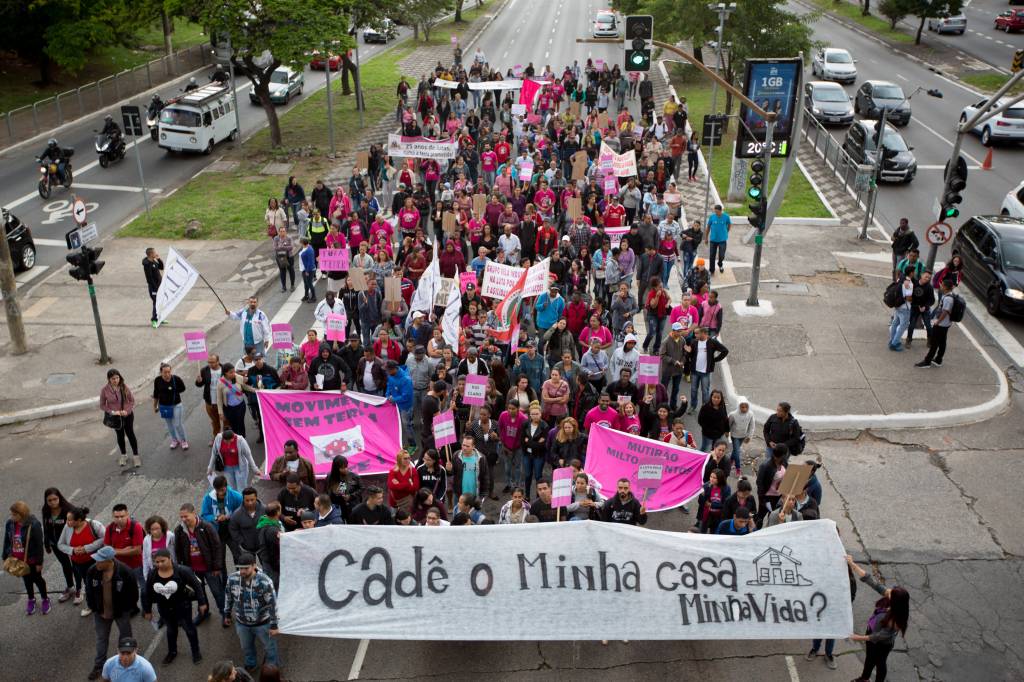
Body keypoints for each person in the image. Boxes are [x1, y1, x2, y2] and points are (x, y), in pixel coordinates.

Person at [846, 555, 910, 682]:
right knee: (869, 658)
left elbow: (878, 636)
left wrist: (858, 637)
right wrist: (852, 564)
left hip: (881, 645)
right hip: (872, 635)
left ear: (895, 602)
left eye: (891, 593)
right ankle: (864, 678)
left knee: (880, 663)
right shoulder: (891, 599)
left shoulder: (895, 622)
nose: (888, 591)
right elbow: (871, 581)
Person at [142, 549, 205, 665]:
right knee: (171, 630)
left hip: (182, 607)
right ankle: (172, 652)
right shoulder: (152, 574)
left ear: (170, 558)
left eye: (163, 561)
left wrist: (202, 602)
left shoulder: (183, 571)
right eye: (157, 562)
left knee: (189, 629)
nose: (160, 564)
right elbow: (147, 592)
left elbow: (197, 586)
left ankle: (196, 652)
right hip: (164, 608)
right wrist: (147, 610)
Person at [85, 546, 139, 681]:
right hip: (100, 613)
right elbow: (89, 591)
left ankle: (126, 662)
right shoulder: (92, 571)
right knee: (101, 639)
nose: (97, 563)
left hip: (121, 613)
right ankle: (99, 666)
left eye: (100, 561)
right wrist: (93, 607)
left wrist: (126, 610)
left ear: (109, 560)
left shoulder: (125, 572)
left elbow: (133, 594)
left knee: (125, 638)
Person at [224, 553, 280, 673]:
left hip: (263, 623)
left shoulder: (265, 582)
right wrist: (227, 613)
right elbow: (228, 597)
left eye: (246, 568)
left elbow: (273, 603)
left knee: (270, 648)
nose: (242, 571)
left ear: (254, 566)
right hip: (242, 623)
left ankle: (272, 668)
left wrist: (274, 625)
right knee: (246, 647)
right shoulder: (232, 579)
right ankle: (251, 663)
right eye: (240, 568)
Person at [173, 503, 226, 627]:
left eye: (186, 516)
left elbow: (217, 547)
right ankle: (204, 613)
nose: (183, 519)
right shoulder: (179, 530)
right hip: (193, 570)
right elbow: (178, 550)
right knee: (199, 593)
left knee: (217, 592)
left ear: (194, 513)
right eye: (181, 517)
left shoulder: (206, 527)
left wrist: (217, 567)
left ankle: (225, 613)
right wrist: (182, 568)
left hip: (209, 568)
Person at [57, 506, 106, 616]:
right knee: (88, 583)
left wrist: (86, 548)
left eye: (69, 520)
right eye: (67, 519)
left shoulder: (94, 525)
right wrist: (72, 550)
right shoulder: (68, 527)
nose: (67, 522)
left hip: (94, 561)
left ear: (79, 520)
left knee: (95, 584)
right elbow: (60, 544)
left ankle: (99, 605)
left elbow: (104, 538)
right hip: (77, 563)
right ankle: (92, 605)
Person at [3, 500, 48, 615]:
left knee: (38, 580)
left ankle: (45, 599)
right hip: (18, 560)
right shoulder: (10, 523)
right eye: (11, 514)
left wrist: (39, 562)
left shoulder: (34, 524)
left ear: (22, 514)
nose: (12, 517)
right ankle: (31, 599)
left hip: (31, 560)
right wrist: (4, 555)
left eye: (14, 514)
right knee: (27, 580)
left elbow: (39, 544)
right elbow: (7, 540)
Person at [41, 487, 76, 604]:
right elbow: (46, 527)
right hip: (55, 545)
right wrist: (46, 543)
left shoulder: (69, 510)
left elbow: (79, 525)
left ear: (59, 498)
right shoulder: (46, 510)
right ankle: (70, 587)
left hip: (70, 544)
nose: (52, 502)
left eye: (55, 499)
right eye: (49, 500)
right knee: (66, 565)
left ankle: (80, 589)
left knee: (76, 565)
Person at [101, 369, 141, 468]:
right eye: (113, 378)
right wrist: (113, 412)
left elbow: (132, 401)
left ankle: (136, 456)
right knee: (120, 436)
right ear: (108, 379)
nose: (116, 380)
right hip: (116, 418)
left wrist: (126, 411)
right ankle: (124, 455)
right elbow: (102, 405)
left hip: (127, 416)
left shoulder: (124, 387)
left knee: (130, 434)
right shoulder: (105, 390)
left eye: (117, 378)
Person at [685, 328, 728, 412]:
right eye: (695, 333)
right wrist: (688, 352)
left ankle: (705, 408)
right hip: (694, 371)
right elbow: (690, 356)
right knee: (693, 390)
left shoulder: (712, 342)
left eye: (697, 333)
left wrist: (715, 360)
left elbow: (725, 351)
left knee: (705, 391)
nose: (695, 335)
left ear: (704, 333)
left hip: (705, 372)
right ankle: (693, 406)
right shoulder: (694, 342)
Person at [917, 278, 955, 369]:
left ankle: (927, 361)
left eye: (942, 285)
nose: (940, 286)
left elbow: (945, 312)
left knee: (934, 343)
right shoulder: (949, 296)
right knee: (942, 342)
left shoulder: (948, 299)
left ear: (945, 287)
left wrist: (937, 322)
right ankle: (938, 360)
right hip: (946, 324)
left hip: (941, 324)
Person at [153, 362, 188, 450]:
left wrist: (173, 391)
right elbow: (156, 393)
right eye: (165, 372)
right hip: (164, 406)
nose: (167, 374)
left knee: (177, 424)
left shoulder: (176, 379)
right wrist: (155, 406)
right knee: (169, 425)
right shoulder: (157, 380)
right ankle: (174, 440)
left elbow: (183, 388)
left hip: (176, 405)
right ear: (161, 372)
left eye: (169, 372)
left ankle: (183, 440)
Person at [196, 355, 224, 446]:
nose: (210, 364)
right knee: (215, 421)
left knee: (226, 420)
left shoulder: (224, 369)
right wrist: (199, 381)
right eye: (209, 362)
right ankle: (216, 437)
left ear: (218, 361)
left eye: (212, 362)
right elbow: (199, 384)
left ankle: (227, 437)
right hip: (210, 402)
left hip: (223, 401)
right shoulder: (204, 370)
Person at [888, 266, 915, 351]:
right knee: (904, 325)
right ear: (911, 273)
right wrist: (914, 300)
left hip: (897, 305)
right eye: (914, 272)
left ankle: (892, 341)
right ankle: (895, 343)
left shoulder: (900, 279)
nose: (914, 273)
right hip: (905, 307)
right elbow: (908, 297)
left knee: (895, 324)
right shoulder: (909, 283)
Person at [728, 398, 755, 477]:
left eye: (746, 407)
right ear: (738, 406)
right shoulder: (733, 414)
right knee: (737, 451)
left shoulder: (750, 414)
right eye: (742, 407)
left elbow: (752, 426)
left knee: (735, 451)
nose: (744, 409)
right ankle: (738, 468)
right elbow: (728, 425)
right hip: (735, 436)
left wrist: (749, 436)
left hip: (743, 436)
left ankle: (730, 461)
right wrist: (728, 434)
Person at [142, 248, 163, 328]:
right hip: (154, 288)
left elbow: (161, 267)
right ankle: (154, 320)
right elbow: (149, 279)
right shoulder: (147, 265)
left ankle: (160, 317)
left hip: (159, 286)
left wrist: (159, 259)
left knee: (160, 302)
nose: (156, 253)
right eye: (154, 252)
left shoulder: (153, 261)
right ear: (151, 254)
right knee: (156, 302)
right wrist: (156, 288)